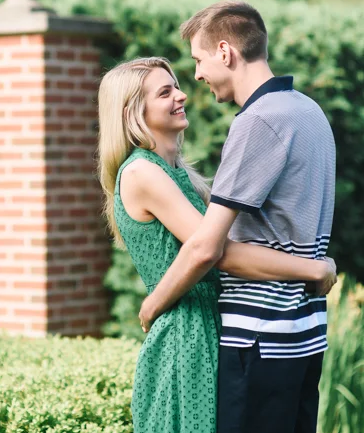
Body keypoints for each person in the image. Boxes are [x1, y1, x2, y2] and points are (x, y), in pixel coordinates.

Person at [97, 56, 336, 433]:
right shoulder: (142, 172)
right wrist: (314, 267)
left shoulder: (179, 174)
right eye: (165, 93)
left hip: (210, 325)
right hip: (185, 334)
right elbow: (214, 251)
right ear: (133, 112)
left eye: (176, 87)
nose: (181, 95)